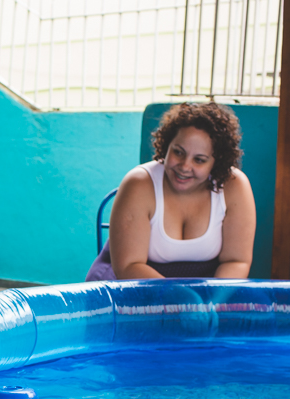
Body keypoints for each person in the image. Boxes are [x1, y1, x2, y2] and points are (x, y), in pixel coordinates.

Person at [86, 102, 256, 281]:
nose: (184, 166)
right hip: (132, 285)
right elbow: (129, 266)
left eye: (199, 160)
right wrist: (182, 299)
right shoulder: (138, 184)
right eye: (178, 152)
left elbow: (236, 261)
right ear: (166, 146)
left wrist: (209, 301)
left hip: (204, 289)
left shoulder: (234, 186)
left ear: (217, 162)